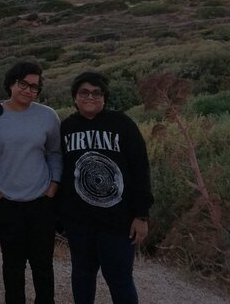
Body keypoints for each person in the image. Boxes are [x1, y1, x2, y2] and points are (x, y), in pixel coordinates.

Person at [59, 72, 154, 304]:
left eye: (96, 92)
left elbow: (141, 169)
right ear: (75, 97)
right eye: (84, 92)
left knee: (120, 279)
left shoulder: (122, 124)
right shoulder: (66, 127)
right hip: (79, 222)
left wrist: (141, 215)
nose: (90, 96)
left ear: (104, 97)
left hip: (118, 221)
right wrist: (61, 216)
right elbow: (60, 171)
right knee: (82, 276)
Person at [0, 61, 62, 304]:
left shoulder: (47, 116)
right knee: (12, 265)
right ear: (11, 84)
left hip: (41, 202)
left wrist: (54, 183)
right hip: (6, 202)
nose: (28, 90)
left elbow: (55, 153)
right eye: (23, 84)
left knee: (43, 264)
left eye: (34, 87)